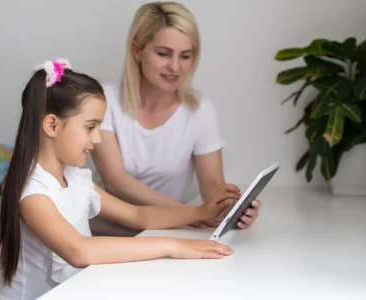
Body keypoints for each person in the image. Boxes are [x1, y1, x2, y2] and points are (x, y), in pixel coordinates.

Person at [0, 59, 236, 300]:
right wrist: (175, 246)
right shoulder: (33, 192)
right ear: (52, 125)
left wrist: (202, 213)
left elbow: (136, 215)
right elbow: (79, 251)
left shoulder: (75, 178)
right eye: (90, 127)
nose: (97, 139)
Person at [90, 1, 261, 236]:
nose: (175, 67)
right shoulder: (103, 100)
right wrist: (193, 214)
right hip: (108, 234)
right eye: (163, 53)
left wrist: (230, 208)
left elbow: (213, 186)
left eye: (185, 56)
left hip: (169, 234)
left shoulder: (200, 110)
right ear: (136, 50)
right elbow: (115, 180)